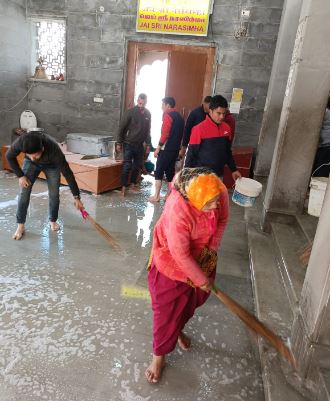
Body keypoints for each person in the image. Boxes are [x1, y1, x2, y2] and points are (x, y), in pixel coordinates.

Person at [145, 167, 229, 383]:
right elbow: (180, 254)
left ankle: (177, 330)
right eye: (209, 204)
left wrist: (211, 249)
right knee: (166, 310)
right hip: (172, 262)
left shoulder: (217, 190)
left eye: (216, 200)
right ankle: (158, 357)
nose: (215, 206)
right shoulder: (178, 210)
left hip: (202, 254)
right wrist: (200, 280)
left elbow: (222, 220)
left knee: (190, 302)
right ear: (194, 201)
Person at [6, 132, 84, 240]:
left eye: (36, 155)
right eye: (30, 154)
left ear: (42, 148)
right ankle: (20, 226)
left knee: (54, 194)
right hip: (31, 165)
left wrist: (77, 197)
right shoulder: (21, 142)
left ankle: (53, 221)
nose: (34, 157)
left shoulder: (54, 151)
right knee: (24, 192)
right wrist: (20, 176)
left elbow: (68, 174)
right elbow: (9, 156)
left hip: (51, 166)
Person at [185, 95, 241, 182]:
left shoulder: (227, 128)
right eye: (218, 113)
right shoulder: (199, 129)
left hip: (219, 176)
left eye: (224, 113)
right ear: (210, 111)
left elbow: (227, 151)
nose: (222, 117)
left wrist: (234, 169)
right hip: (201, 177)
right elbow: (191, 153)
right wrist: (186, 175)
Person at [148, 97, 184, 202]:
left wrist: (158, 148)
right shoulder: (180, 117)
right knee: (170, 172)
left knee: (159, 171)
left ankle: (156, 196)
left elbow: (165, 134)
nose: (161, 107)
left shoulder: (168, 116)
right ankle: (169, 195)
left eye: (163, 104)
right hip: (175, 150)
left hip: (166, 149)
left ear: (168, 105)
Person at [115, 93, 151, 196]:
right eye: (140, 102)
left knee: (137, 166)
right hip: (128, 143)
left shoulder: (148, 114)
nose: (141, 104)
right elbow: (121, 128)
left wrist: (148, 144)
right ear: (137, 100)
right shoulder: (130, 112)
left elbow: (148, 131)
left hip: (139, 145)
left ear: (146, 102)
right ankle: (123, 187)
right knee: (127, 165)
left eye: (143, 102)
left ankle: (133, 184)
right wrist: (119, 142)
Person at [312, 97, 330, 177]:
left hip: (326, 146)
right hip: (325, 146)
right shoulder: (327, 113)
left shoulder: (325, 113)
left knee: (320, 169)